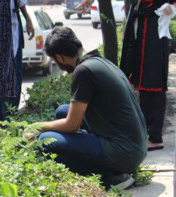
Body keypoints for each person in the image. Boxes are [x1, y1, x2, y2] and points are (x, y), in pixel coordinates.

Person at [26, 27, 147, 189]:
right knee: (62, 111)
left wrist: (36, 127)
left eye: (55, 61)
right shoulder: (97, 60)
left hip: (124, 153)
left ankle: (111, 176)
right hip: (136, 146)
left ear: (60, 57)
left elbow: (71, 125)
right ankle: (106, 164)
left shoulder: (83, 72)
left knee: (45, 141)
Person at [120, 0, 176, 151]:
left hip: (154, 36)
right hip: (143, 33)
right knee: (143, 85)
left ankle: (155, 137)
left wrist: (169, 8)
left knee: (154, 85)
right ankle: (148, 134)